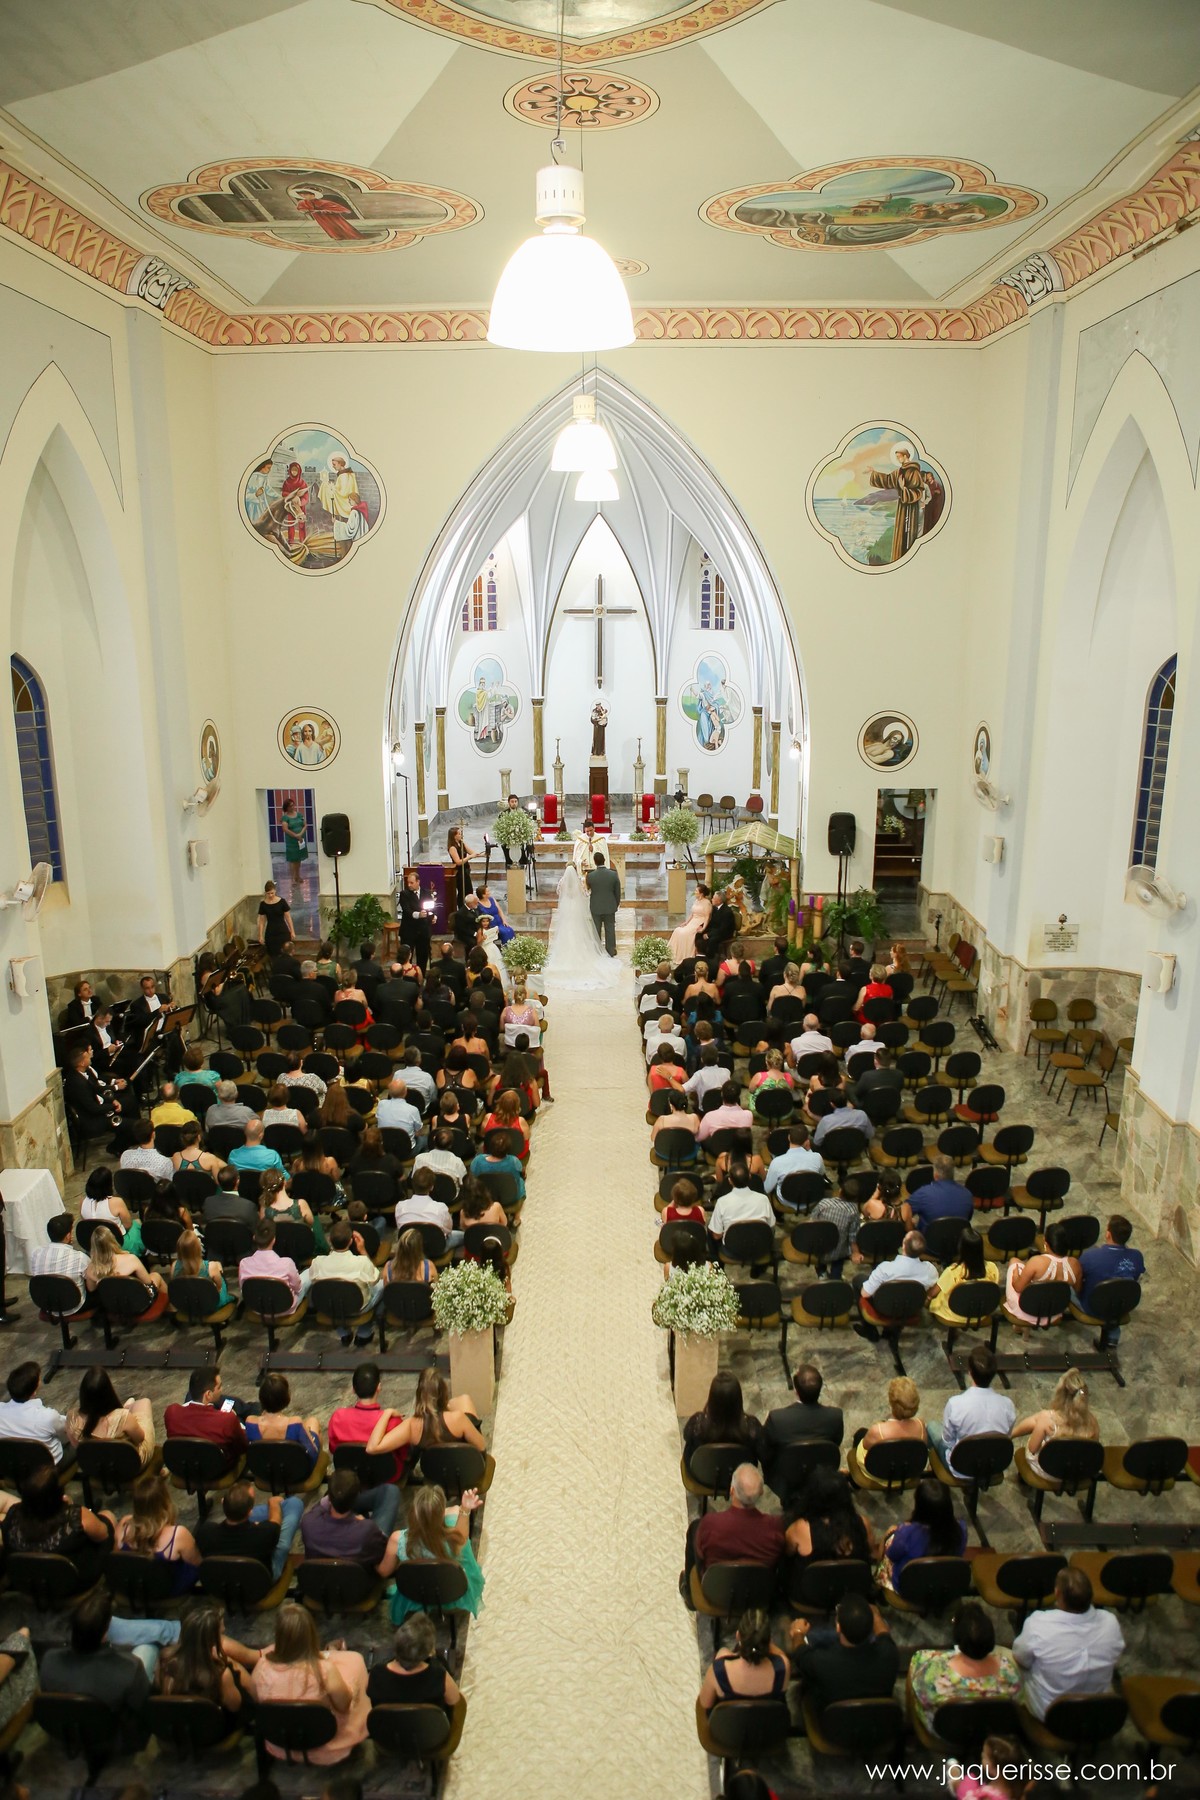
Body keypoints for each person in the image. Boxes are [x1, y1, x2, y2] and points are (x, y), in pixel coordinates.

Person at [250, 1604, 369, 1765]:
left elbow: (258, 1702)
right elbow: (344, 1706)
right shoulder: (325, 1670)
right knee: (356, 1664)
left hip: (281, 1742)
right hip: (328, 1746)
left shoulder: (262, 1666)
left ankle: (334, 1651)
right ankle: (335, 1651)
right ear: (311, 1634)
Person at [39, 1588, 155, 1745]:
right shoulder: (130, 1667)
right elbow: (143, 1708)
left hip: (65, 1733)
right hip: (115, 1738)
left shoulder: (49, 1659)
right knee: (148, 1648)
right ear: (105, 1634)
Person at [1011, 1567, 1123, 1720]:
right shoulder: (1111, 1622)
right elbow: (1115, 1657)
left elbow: (1020, 1657)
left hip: (1050, 1713)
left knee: (1009, 1661)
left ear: (1057, 1594)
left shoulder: (1038, 1624)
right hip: (1096, 1711)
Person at [908, 1601, 1021, 1736]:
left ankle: (909, 1731)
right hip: (991, 1730)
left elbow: (922, 1697)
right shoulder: (1009, 1670)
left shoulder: (930, 1665)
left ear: (957, 1637)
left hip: (945, 1731)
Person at [377, 1482, 484, 1625]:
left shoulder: (397, 1539)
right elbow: (462, 1534)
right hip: (450, 1592)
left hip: (416, 1593)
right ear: (441, 1515)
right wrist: (464, 1508)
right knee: (455, 1511)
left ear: (414, 1511)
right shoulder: (455, 1538)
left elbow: (384, 1572)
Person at [2, 1460, 113, 1585]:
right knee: (107, 1516)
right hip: (73, 1583)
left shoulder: (12, 1514)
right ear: (58, 1495)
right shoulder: (75, 1516)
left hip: (29, 1582)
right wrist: (71, 1508)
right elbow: (103, 1535)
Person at [684, 1464, 783, 1597]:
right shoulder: (775, 1528)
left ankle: (689, 1592)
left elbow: (701, 1556)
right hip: (757, 1591)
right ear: (761, 1493)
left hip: (716, 1589)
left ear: (731, 1491)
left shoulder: (710, 1524)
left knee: (695, 1528)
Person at [788, 1594, 899, 1711]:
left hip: (832, 1726)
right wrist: (875, 1615)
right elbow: (883, 1632)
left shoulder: (820, 1662)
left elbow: (799, 1651)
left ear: (838, 1627)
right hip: (878, 1724)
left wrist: (798, 1632)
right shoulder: (889, 1653)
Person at [157, 1601, 260, 1726]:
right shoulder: (221, 1674)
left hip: (181, 1725)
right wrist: (230, 1663)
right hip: (212, 1730)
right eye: (221, 1633)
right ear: (212, 1640)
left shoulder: (165, 1659)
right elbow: (236, 1707)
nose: (225, 1629)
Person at [195, 1480, 303, 1585]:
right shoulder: (265, 1532)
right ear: (250, 1512)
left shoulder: (205, 1532)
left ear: (223, 1503)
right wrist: (273, 1502)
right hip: (259, 1582)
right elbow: (275, 1521)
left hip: (222, 1583)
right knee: (294, 1504)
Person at [927, 1345, 1015, 1473]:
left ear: (970, 1372)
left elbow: (947, 1441)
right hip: (990, 1466)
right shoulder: (1008, 1406)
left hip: (959, 1467)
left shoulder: (955, 1404)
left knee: (932, 1426)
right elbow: (1005, 1438)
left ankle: (932, 1469)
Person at [367, 1368, 485, 1461]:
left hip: (436, 1474)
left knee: (461, 1400)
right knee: (464, 1400)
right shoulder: (458, 1417)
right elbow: (481, 1446)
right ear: (444, 1391)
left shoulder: (410, 1426)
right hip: (467, 1470)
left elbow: (372, 1448)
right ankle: (444, 1407)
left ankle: (439, 1407)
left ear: (419, 1394)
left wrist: (387, 1413)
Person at [114, 1470, 200, 1594]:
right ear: (165, 1502)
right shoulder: (178, 1535)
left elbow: (119, 1560)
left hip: (137, 1586)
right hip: (167, 1590)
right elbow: (197, 1563)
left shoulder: (124, 1524)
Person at [763, 1366, 843, 1498]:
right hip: (821, 1471)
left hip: (787, 1475)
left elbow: (766, 1450)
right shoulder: (835, 1416)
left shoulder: (777, 1418)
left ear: (796, 1391)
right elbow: (835, 1443)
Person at [327, 1363, 412, 1486]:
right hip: (387, 1476)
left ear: (353, 1389)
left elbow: (334, 1449)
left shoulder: (337, 1417)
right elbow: (403, 1454)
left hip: (350, 1474)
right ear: (379, 1387)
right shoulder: (393, 1422)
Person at [877, 1479, 965, 1589]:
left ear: (920, 1507)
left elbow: (892, 1555)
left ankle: (877, 1584)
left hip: (908, 1587)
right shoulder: (961, 1528)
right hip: (942, 1585)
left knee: (890, 1531)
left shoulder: (907, 1533)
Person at [300, 1467, 399, 1564]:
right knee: (391, 1491)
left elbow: (321, 1504)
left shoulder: (308, 1522)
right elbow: (382, 1552)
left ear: (329, 1496)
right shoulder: (367, 1529)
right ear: (357, 1498)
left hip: (323, 1575)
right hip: (360, 1568)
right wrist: (363, 1522)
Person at [1011, 1368, 1099, 1478]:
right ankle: (1012, 1434)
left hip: (1049, 1471)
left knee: (1039, 1421)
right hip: (1076, 1471)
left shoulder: (1048, 1417)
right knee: (1040, 1421)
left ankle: (1010, 1434)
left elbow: (1032, 1449)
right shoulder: (1093, 1420)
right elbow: (1092, 1449)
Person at [367, 1613, 461, 1715]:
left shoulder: (376, 1674)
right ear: (428, 1652)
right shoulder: (439, 1675)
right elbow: (454, 1700)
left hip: (387, 1729)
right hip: (427, 1729)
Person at [308, 1222, 384, 1346]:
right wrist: (363, 1250)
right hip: (358, 1306)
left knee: (332, 1293)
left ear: (329, 1240)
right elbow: (375, 1278)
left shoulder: (318, 1262)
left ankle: (343, 1333)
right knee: (382, 1284)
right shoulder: (362, 1261)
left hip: (330, 1306)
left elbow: (313, 1281)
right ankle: (364, 1333)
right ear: (350, 1242)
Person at [698, 1609, 789, 1710]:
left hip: (733, 1724)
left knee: (723, 1652)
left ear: (738, 1636)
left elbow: (705, 1703)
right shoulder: (783, 1667)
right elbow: (781, 1656)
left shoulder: (718, 1671)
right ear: (769, 1641)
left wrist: (724, 1657)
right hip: (768, 1723)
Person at [1078, 1213, 1146, 1347]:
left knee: (1067, 1286)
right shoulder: (1137, 1256)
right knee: (1115, 1292)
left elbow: (1078, 1280)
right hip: (1121, 1306)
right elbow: (1132, 1281)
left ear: (1108, 1234)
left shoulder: (1090, 1256)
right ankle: (1113, 1336)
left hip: (1092, 1307)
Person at [66, 1366, 155, 1466]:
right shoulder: (123, 1418)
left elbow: (77, 1447)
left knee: (130, 1405)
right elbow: (139, 1439)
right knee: (145, 1402)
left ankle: (128, 1405)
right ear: (108, 1392)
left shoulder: (72, 1417)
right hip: (129, 1466)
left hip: (97, 1466)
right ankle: (157, 1468)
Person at [164, 1368, 247, 1472]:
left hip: (184, 1468)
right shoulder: (227, 1419)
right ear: (208, 1394)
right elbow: (243, 1446)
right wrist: (237, 1422)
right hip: (218, 1470)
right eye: (219, 1387)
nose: (222, 1389)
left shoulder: (171, 1412)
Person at [1004, 1221, 1081, 1327]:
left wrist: (1016, 1274)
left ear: (1046, 1243)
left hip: (1026, 1310)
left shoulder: (1037, 1261)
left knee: (1014, 1261)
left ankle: (1020, 1326)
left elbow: (1018, 1287)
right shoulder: (1075, 1264)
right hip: (1053, 1312)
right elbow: (1076, 1290)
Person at [84, 1224, 169, 1318]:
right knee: (156, 1275)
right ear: (113, 1240)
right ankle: (172, 1309)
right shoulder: (130, 1259)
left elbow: (91, 1289)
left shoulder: (91, 1268)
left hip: (112, 1305)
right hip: (139, 1304)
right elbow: (148, 1282)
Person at [684, 1373, 765, 1466]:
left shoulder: (696, 1425)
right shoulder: (752, 1428)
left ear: (711, 1398)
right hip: (741, 1477)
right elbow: (763, 1454)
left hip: (703, 1476)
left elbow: (686, 1436)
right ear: (738, 1399)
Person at [244, 1373, 321, 1471]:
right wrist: (311, 1436)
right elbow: (312, 1454)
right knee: (312, 1421)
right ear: (286, 1397)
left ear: (261, 1397)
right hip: (295, 1474)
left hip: (265, 1471)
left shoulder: (250, 1422)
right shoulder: (295, 1423)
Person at [928, 1226, 1000, 1326]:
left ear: (961, 1249)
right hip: (979, 1314)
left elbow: (933, 1293)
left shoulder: (952, 1271)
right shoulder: (992, 1268)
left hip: (953, 1314)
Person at [29, 1213, 91, 1314]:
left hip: (48, 1304)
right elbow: (91, 1284)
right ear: (68, 1236)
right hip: (75, 1306)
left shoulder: (36, 1253)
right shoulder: (80, 1258)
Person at [707, 1163, 774, 1243]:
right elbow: (771, 1225)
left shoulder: (722, 1202)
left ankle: (714, 1255)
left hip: (732, 1248)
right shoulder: (764, 1199)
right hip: (759, 1245)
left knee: (711, 1229)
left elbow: (717, 1235)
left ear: (730, 1181)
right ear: (749, 1177)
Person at [904, 1153, 975, 1229]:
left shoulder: (923, 1193)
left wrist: (910, 1225)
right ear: (953, 1173)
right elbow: (967, 1218)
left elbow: (904, 1213)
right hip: (958, 1239)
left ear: (935, 1175)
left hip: (928, 1240)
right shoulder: (967, 1194)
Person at [172, 1224, 231, 1308]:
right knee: (218, 1266)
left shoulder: (174, 1266)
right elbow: (219, 1287)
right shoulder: (210, 1266)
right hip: (209, 1304)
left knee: (216, 1264)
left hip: (188, 1303)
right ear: (197, 1248)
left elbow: (176, 1285)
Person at [119, 1117, 175, 1184]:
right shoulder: (165, 1162)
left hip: (130, 1193)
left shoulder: (125, 1155)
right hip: (154, 1194)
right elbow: (169, 1186)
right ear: (153, 1134)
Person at [668, 883, 712, 965]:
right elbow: (692, 914)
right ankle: (673, 954)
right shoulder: (696, 901)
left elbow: (707, 917)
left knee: (685, 933)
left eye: (696, 891)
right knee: (678, 931)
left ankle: (685, 956)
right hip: (692, 921)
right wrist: (686, 922)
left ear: (701, 893)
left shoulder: (707, 903)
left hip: (699, 922)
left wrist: (703, 928)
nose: (695, 892)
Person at [257, 880, 294, 956]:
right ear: (265, 893)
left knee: (285, 952)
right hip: (271, 932)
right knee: (273, 954)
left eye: (272, 893)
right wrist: (260, 935)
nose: (270, 895)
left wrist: (292, 931)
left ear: (275, 891)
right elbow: (262, 921)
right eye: (268, 893)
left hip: (282, 930)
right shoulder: (263, 904)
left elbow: (288, 918)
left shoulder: (282, 902)